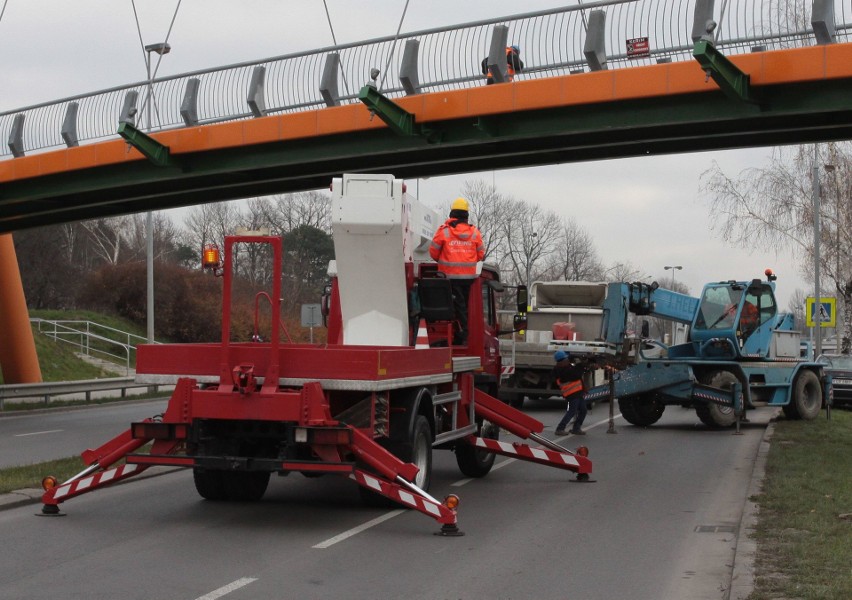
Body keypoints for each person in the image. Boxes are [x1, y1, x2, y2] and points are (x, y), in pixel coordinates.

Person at [429, 197, 486, 345]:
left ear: (452, 214)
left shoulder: (444, 231)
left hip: (448, 277)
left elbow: (433, 253)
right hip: (468, 279)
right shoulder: (475, 233)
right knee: (463, 306)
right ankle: (463, 334)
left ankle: (456, 333)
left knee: (449, 306)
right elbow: (481, 255)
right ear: (466, 216)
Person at [553, 350, 588, 436]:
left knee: (583, 410)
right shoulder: (562, 371)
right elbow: (576, 375)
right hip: (572, 394)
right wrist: (581, 364)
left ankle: (576, 428)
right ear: (562, 361)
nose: (568, 360)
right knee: (572, 411)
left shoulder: (565, 367)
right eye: (566, 359)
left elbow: (576, 375)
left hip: (577, 393)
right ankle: (560, 428)